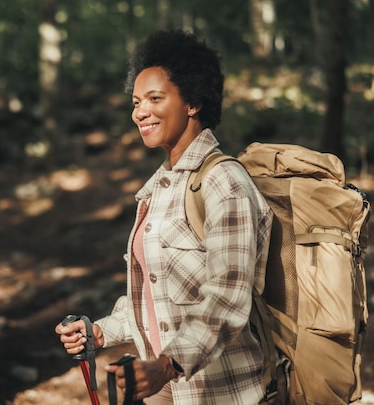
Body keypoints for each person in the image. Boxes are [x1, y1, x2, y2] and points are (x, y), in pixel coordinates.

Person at [55, 30, 273, 404]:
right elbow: (157, 300)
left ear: (192, 101)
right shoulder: (157, 189)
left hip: (224, 392)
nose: (140, 111)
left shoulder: (225, 181)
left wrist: (167, 364)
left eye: (155, 98)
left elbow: (227, 299)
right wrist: (101, 332)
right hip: (167, 390)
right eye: (137, 101)